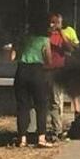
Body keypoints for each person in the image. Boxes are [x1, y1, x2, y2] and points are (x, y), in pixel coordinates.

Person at [9, 15, 54, 148]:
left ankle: (22, 139)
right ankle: (41, 138)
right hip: (37, 72)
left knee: (22, 106)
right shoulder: (44, 40)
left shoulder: (22, 39)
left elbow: (11, 58)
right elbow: (49, 60)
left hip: (21, 71)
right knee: (41, 105)